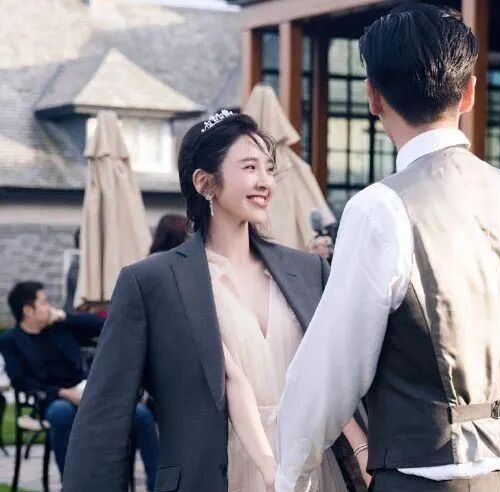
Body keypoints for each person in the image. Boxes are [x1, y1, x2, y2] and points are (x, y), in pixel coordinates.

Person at [276, 5, 500, 492]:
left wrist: (290, 476)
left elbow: (329, 377)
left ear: (372, 96)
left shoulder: (380, 208)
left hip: (424, 477)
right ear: (469, 93)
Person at [62, 112, 367, 492]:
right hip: (210, 476)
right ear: (205, 182)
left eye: (269, 169)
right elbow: (106, 415)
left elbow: (335, 376)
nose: (265, 181)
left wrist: (363, 450)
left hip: (311, 475)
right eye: (250, 167)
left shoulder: (308, 271)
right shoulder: (152, 282)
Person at [0, 281, 158, 490]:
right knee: (61, 412)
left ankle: (158, 484)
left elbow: (104, 325)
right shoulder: (11, 340)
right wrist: (63, 393)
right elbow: (20, 380)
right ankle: (73, 485)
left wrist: (65, 316)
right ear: (28, 310)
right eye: (44, 302)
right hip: (52, 400)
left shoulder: (59, 328)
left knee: (141, 414)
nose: (50, 307)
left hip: (89, 396)